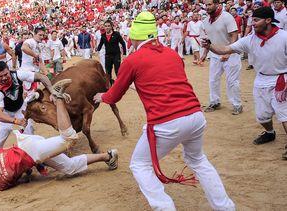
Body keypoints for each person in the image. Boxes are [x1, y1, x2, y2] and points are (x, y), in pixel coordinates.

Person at [93, 12, 235, 211]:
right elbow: (165, 82)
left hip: (167, 121)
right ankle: (226, 207)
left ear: (134, 36)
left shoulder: (133, 60)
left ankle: (165, 208)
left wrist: (103, 96)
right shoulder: (172, 54)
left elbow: (114, 95)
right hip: (195, 115)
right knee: (198, 160)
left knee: (140, 165)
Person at [0, 79, 119, 191]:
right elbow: (4, 152)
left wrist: (28, 173)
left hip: (32, 153)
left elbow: (22, 177)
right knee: (69, 167)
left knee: (70, 138)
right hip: (25, 142)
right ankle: (108, 157)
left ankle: (58, 99)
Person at [201, 7, 287, 159]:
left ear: (268, 20)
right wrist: (210, 46)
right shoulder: (250, 40)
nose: (252, 23)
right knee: (262, 116)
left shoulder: (283, 37)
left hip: (281, 79)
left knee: (284, 115)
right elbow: (225, 49)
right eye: (251, 20)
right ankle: (269, 133)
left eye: (256, 20)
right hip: (261, 79)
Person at [0, 60, 66, 149]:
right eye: (0, 76)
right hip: (5, 112)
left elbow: (42, 77)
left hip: (20, 108)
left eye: (6, 74)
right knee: (4, 130)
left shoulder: (18, 74)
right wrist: (16, 121)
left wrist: (52, 91)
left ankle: (31, 153)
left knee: (29, 129)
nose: (4, 78)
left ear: (9, 70)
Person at [200, 0, 243, 115]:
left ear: (217, 4)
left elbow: (234, 34)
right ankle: (215, 102)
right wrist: (204, 54)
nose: (207, 7)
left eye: (210, 4)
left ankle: (237, 104)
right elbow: (208, 40)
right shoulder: (205, 21)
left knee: (232, 81)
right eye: (206, 5)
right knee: (213, 80)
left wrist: (229, 52)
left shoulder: (226, 17)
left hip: (231, 54)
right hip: (215, 54)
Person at [97, 20, 127, 85]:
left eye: (108, 26)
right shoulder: (103, 35)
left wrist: (124, 54)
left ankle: (120, 84)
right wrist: (98, 50)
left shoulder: (116, 34)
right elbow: (100, 44)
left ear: (111, 26)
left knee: (117, 71)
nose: (107, 27)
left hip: (116, 55)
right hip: (108, 55)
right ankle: (110, 84)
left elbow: (123, 43)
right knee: (108, 71)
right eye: (106, 26)